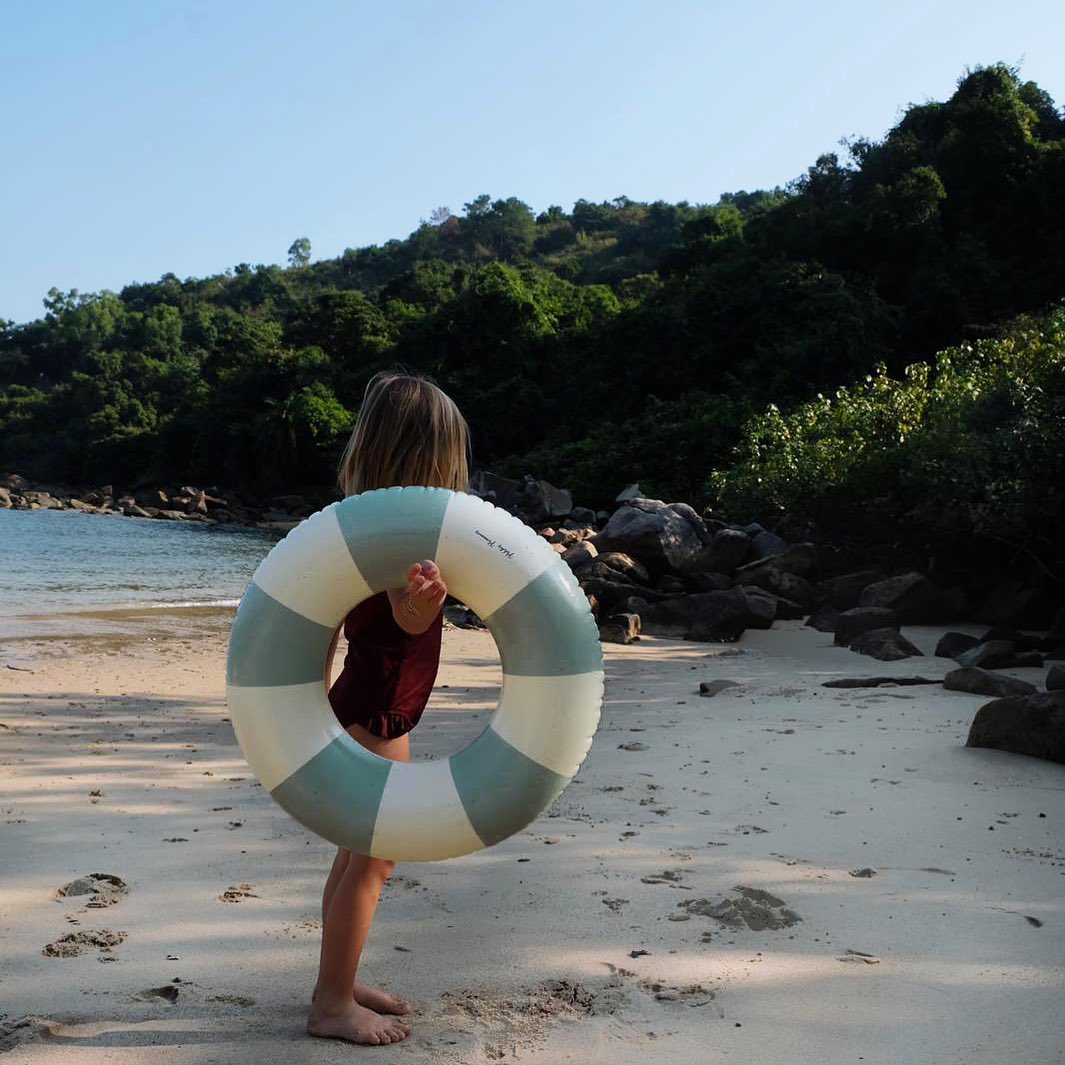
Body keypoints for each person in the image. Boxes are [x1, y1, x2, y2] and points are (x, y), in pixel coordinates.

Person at [307, 371, 470, 1046]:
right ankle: (331, 1003)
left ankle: (337, 983)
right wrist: (422, 606)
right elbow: (404, 618)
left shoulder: (358, 531)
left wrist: (312, 705)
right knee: (375, 860)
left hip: (361, 702)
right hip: (378, 713)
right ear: (429, 461)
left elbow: (324, 625)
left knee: (355, 854)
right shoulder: (403, 545)